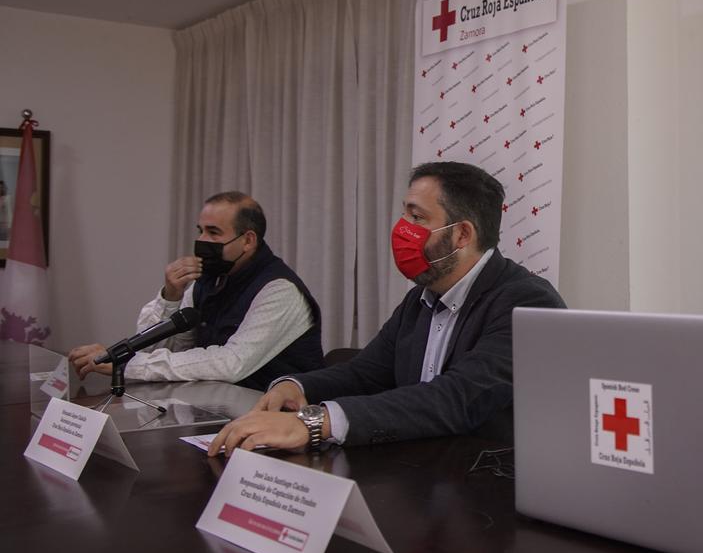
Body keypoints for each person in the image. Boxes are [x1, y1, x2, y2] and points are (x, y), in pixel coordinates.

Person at [207, 162, 566, 454]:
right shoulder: (422, 297)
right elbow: (365, 373)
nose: (402, 229)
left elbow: (454, 399)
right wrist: (296, 387)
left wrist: (315, 422)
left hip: (489, 493)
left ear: (462, 235)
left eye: (417, 217)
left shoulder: (526, 302)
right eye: (404, 215)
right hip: (421, 476)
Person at [68, 192, 323, 390]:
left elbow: (231, 363)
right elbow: (170, 350)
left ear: (248, 240)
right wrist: (171, 296)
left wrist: (128, 365)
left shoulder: (280, 290)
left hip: (276, 415)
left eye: (214, 233)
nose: (202, 241)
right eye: (200, 231)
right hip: (215, 405)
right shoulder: (209, 278)